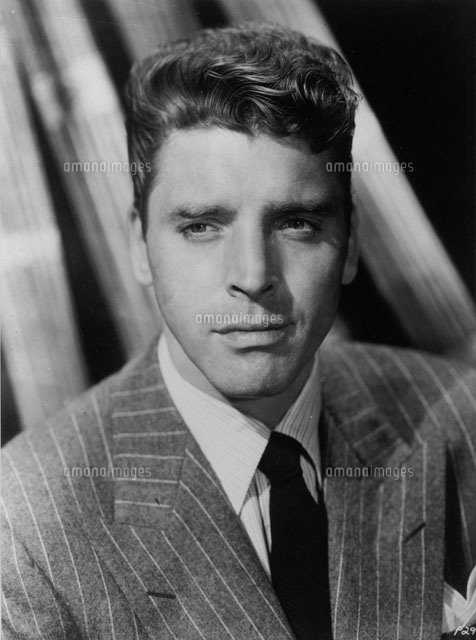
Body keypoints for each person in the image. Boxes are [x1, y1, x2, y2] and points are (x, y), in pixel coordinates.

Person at [2, 23, 475, 640]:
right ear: (139, 246)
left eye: (297, 223)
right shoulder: (24, 527)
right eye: (201, 226)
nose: (252, 276)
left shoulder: (462, 420)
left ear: (351, 242)